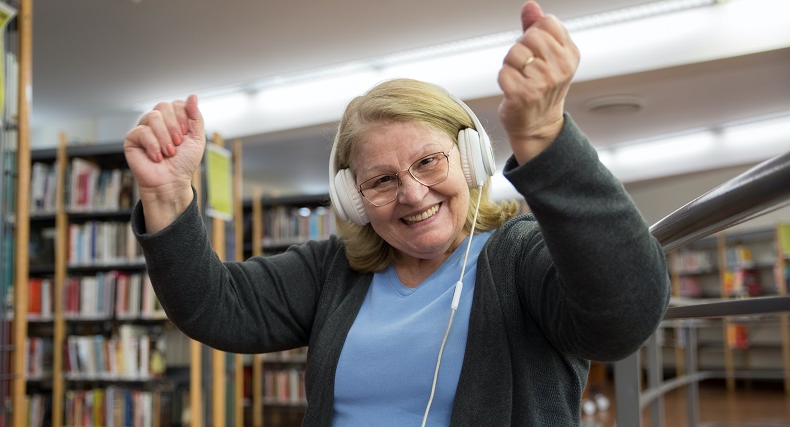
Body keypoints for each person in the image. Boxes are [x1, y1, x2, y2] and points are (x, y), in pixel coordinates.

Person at [124, 1, 670, 425]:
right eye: (382, 180)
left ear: (473, 158)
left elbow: (623, 316)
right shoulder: (333, 272)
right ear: (352, 199)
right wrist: (168, 197)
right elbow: (214, 306)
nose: (412, 194)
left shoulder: (519, 256)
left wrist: (544, 138)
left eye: (429, 162)